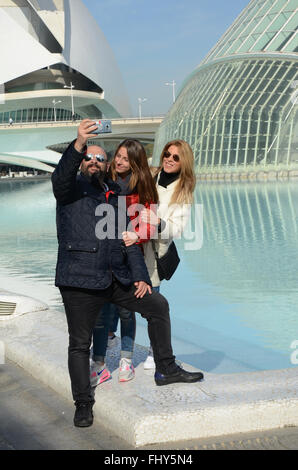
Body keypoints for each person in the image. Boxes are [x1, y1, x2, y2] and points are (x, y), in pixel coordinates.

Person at [51, 120, 204, 428]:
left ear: (107, 166)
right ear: (81, 161)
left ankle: (166, 367)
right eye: (88, 157)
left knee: (158, 307)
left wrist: (141, 278)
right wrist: (79, 142)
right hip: (79, 279)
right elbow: (61, 175)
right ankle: (83, 403)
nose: (94, 161)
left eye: (100, 158)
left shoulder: (115, 192)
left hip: (113, 278)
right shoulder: (69, 189)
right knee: (79, 344)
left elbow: (127, 239)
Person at [91, 138, 158, 384]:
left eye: (126, 159)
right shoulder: (104, 181)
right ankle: (97, 360)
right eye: (118, 156)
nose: (119, 161)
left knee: (127, 312)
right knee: (102, 309)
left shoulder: (142, 189)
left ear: (135, 163)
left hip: (129, 256)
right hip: (103, 257)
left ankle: (126, 360)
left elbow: (150, 224)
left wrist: (136, 234)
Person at [140, 139, 197, 369]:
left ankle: (155, 351)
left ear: (184, 162)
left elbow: (178, 229)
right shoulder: (151, 176)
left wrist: (159, 223)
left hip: (154, 253)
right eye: (167, 154)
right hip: (134, 247)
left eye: (176, 157)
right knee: (125, 304)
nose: (169, 159)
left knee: (154, 305)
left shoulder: (183, 191)